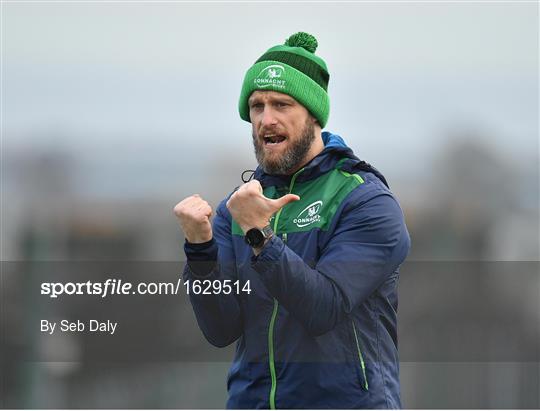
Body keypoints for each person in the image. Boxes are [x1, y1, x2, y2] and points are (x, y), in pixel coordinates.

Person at [174, 32, 410, 409]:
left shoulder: (364, 200)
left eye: (282, 104)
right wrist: (200, 249)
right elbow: (221, 330)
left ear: (313, 114)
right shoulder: (236, 208)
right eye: (256, 106)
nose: (266, 119)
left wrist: (261, 236)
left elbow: (322, 309)